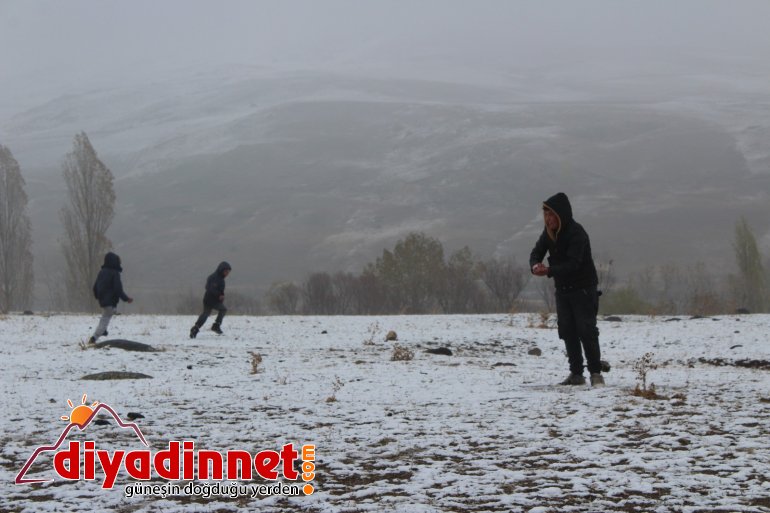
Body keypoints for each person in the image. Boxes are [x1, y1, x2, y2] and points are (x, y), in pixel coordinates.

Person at [529, 192, 604, 386]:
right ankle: (576, 374)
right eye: (545, 215)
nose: (548, 219)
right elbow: (536, 251)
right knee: (567, 331)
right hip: (563, 290)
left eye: (551, 215)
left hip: (583, 289)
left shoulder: (576, 233)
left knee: (586, 330)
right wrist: (535, 264)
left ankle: (596, 373)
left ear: (561, 215)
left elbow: (574, 264)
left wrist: (548, 270)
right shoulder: (548, 233)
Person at [89, 252, 133, 344]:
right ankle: (94, 338)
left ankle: (103, 330)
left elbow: (95, 287)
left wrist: (98, 296)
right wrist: (126, 298)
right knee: (105, 318)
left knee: (106, 315)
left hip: (103, 301)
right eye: (118, 262)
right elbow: (118, 289)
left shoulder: (101, 272)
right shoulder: (115, 273)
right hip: (110, 301)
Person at [190, 262, 232, 338]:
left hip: (213, 300)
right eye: (226, 271)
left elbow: (220, 291)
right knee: (218, 311)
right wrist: (219, 295)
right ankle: (215, 326)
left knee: (206, 314)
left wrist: (221, 296)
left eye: (228, 272)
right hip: (209, 300)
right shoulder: (213, 277)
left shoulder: (221, 279)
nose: (227, 273)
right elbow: (209, 288)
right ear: (221, 270)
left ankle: (196, 328)